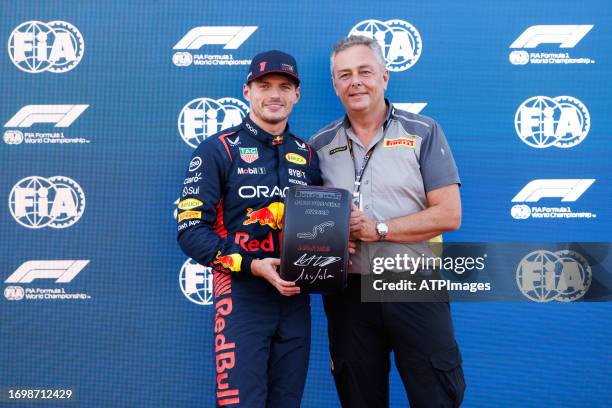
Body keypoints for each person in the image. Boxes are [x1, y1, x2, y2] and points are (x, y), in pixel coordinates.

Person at [309, 36, 466, 407]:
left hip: (412, 282)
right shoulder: (318, 145)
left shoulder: (422, 131)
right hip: (349, 292)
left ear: (384, 76)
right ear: (334, 85)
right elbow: (311, 220)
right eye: (344, 75)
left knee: (436, 397)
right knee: (358, 398)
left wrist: (379, 229)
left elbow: (450, 214)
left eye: (365, 71)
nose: (355, 82)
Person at [177, 50, 321, 407]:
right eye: (264, 85)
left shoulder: (307, 154)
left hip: (295, 299)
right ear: (247, 91)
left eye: (284, 86)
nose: (275, 94)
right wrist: (251, 265)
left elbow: (318, 227)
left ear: (296, 95)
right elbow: (191, 230)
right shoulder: (216, 150)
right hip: (241, 297)